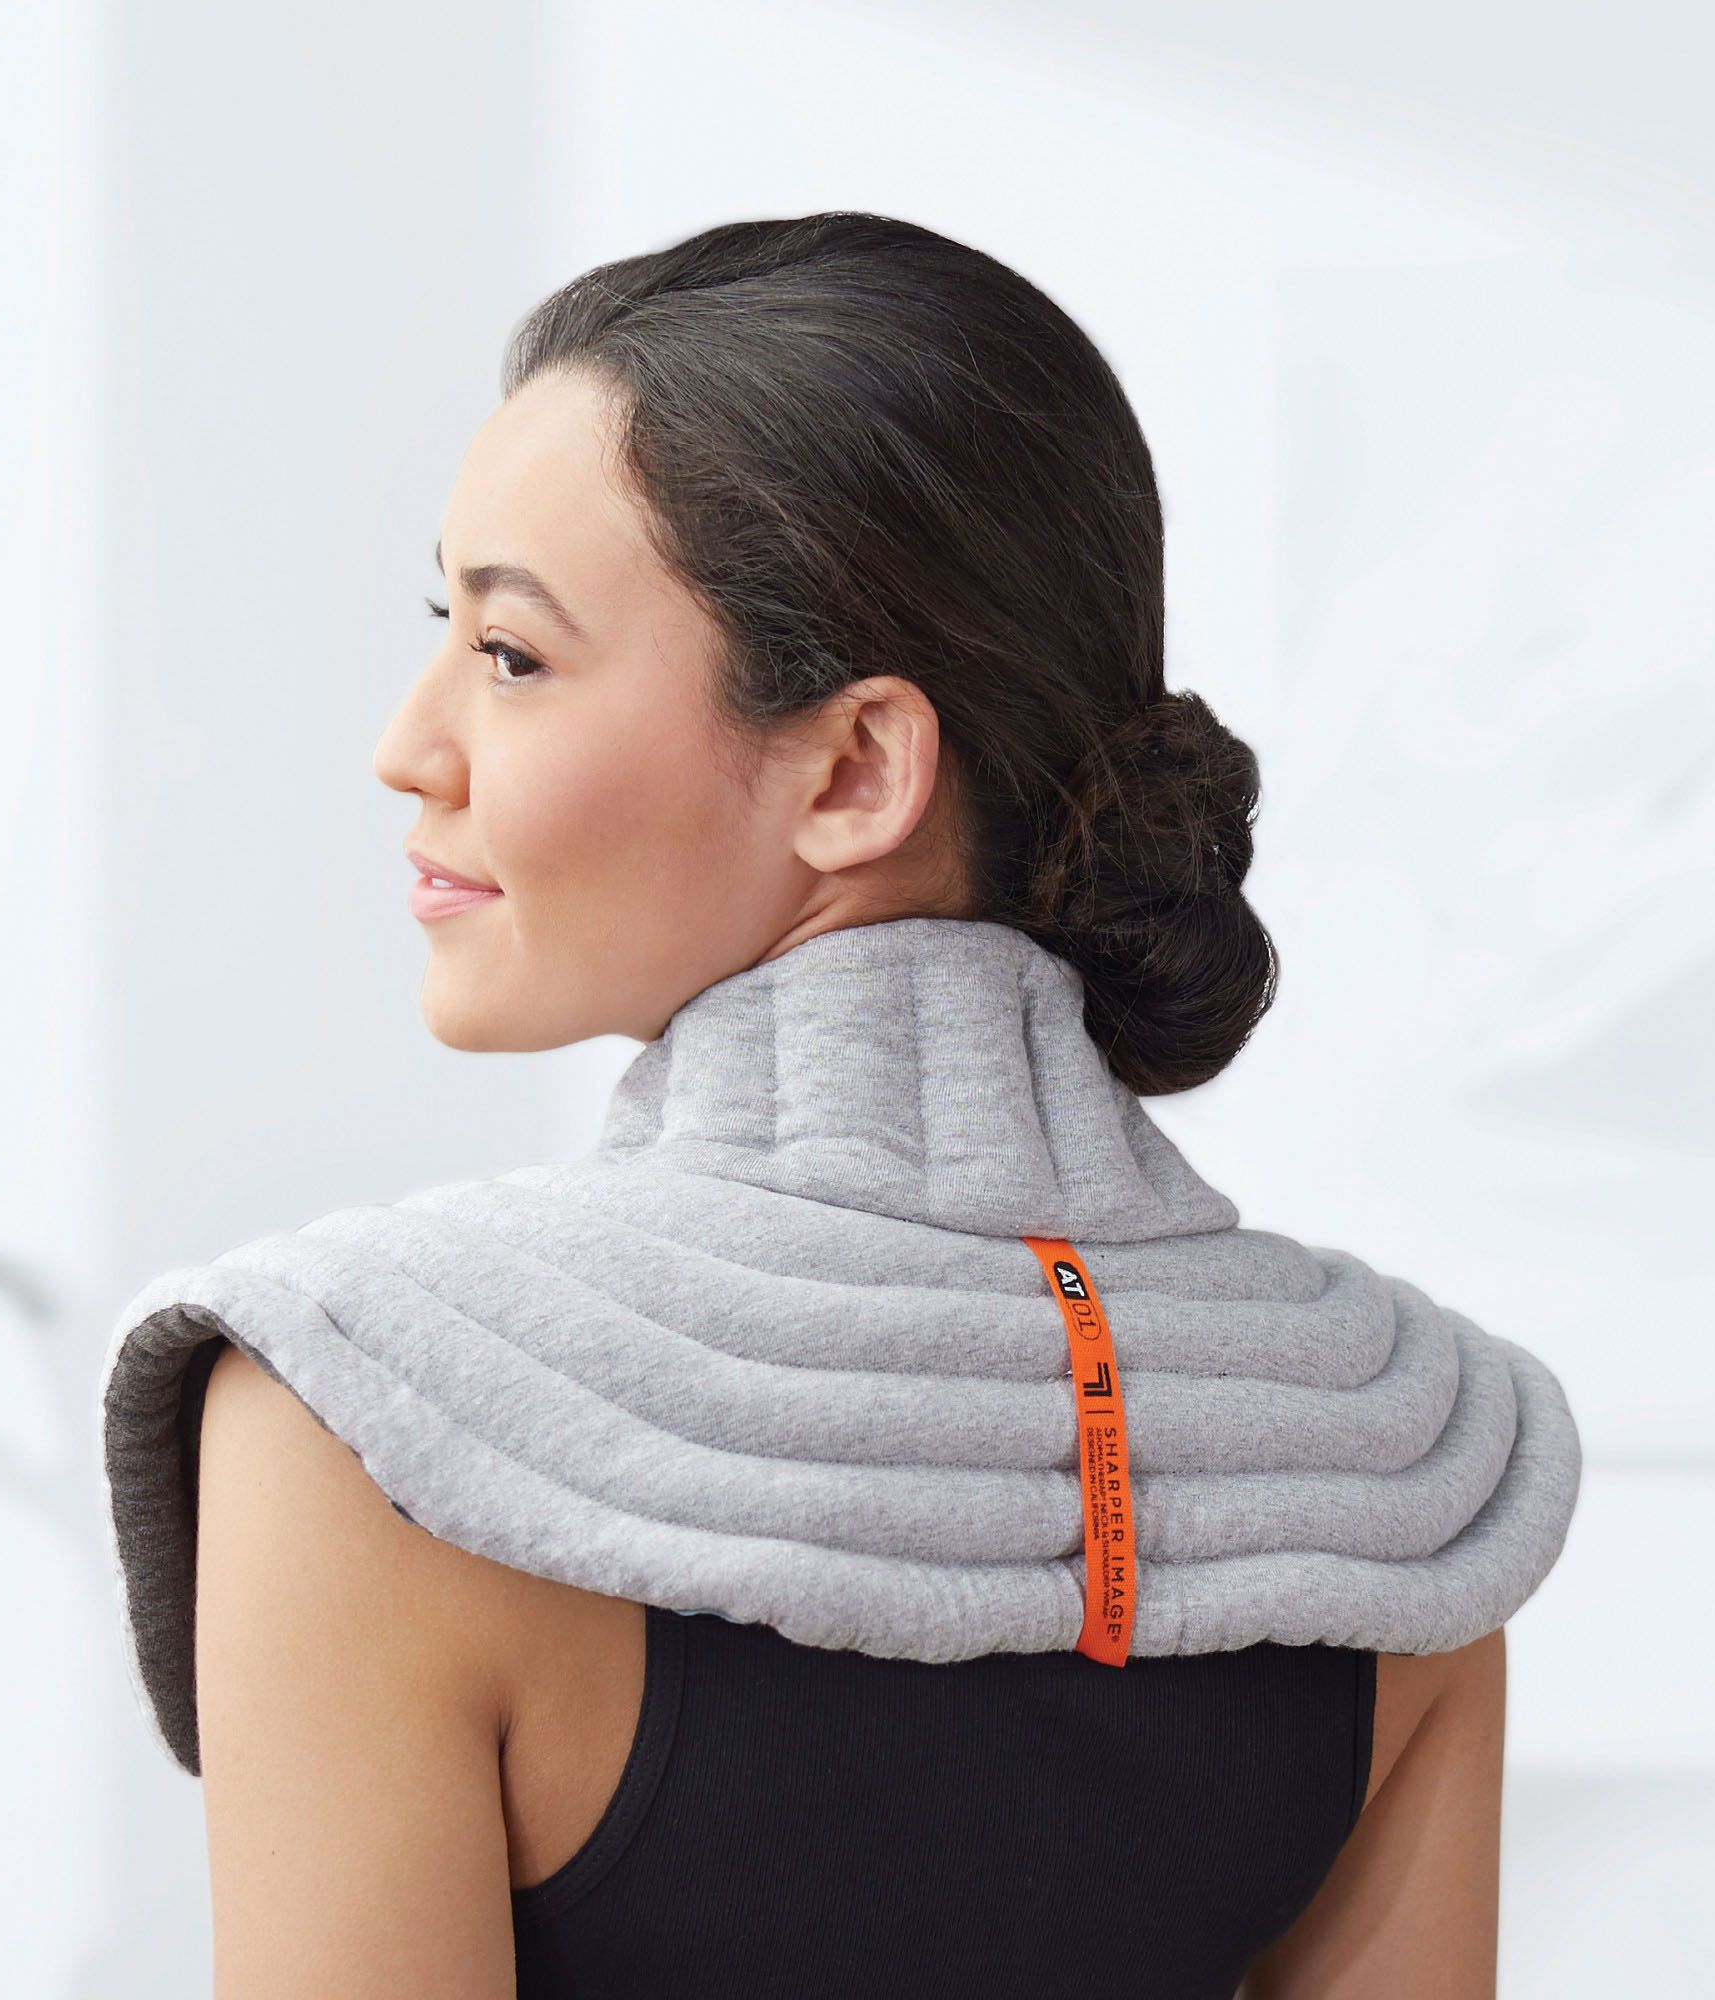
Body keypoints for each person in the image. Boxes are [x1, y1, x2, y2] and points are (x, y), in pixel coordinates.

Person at [180, 212, 1563, 1998]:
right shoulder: (1402, 1462)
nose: (406, 744)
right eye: (442, 627)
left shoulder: (366, 1413)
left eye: (509, 654)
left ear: (853, 770)